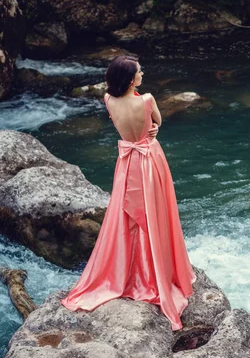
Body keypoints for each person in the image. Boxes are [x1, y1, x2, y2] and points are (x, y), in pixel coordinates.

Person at [61, 55, 197, 331]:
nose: (142, 74)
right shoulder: (146, 100)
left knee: (125, 218)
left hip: (126, 163)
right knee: (155, 214)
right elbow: (157, 122)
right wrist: (152, 127)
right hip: (149, 161)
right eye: (139, 71)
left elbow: (127, 119)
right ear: (130, 78)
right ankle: (155, 273)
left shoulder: (108, 101)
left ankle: (128, 271)